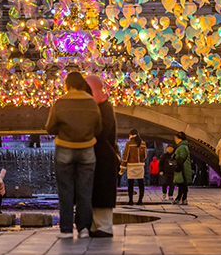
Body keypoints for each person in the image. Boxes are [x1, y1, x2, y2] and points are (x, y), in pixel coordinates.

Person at [45, 71, 102, 239]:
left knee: (66, 191)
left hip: (64, 149)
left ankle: (66, 230)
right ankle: (84, 229)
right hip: (87, 151)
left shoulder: (60, 103)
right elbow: (98, 128)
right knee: (85, 192)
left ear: (67, 85)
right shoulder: (92, 103)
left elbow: (50, 128)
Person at [85, 75, 119, 238]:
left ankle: (104, 227)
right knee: (94, 193)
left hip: (103, 158)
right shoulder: (98, 107)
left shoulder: (104, 107)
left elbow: (104, 131)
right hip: (93, 157)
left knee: (101, 192)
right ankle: (94, 226)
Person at [120, 129, 147, 206]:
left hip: (131, 165)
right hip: (140, 165)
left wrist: (123, 166)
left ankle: (131, 201)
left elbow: (125, 156)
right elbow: (145, 156)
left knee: (130, 184)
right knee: (141, 183)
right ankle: (140, 200)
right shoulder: (143, 143)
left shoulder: (128, 144)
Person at [173, 132, 191, 205]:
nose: (175, 140)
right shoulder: (183, 146)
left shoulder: (182, 147)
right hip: (183, 167)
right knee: (182, 184)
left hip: (182, 168)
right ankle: (181, 198)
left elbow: (182, 157)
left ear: (180, 139)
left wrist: (175, 157)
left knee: (182, 184)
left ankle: (182, 198)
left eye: (176, 138)